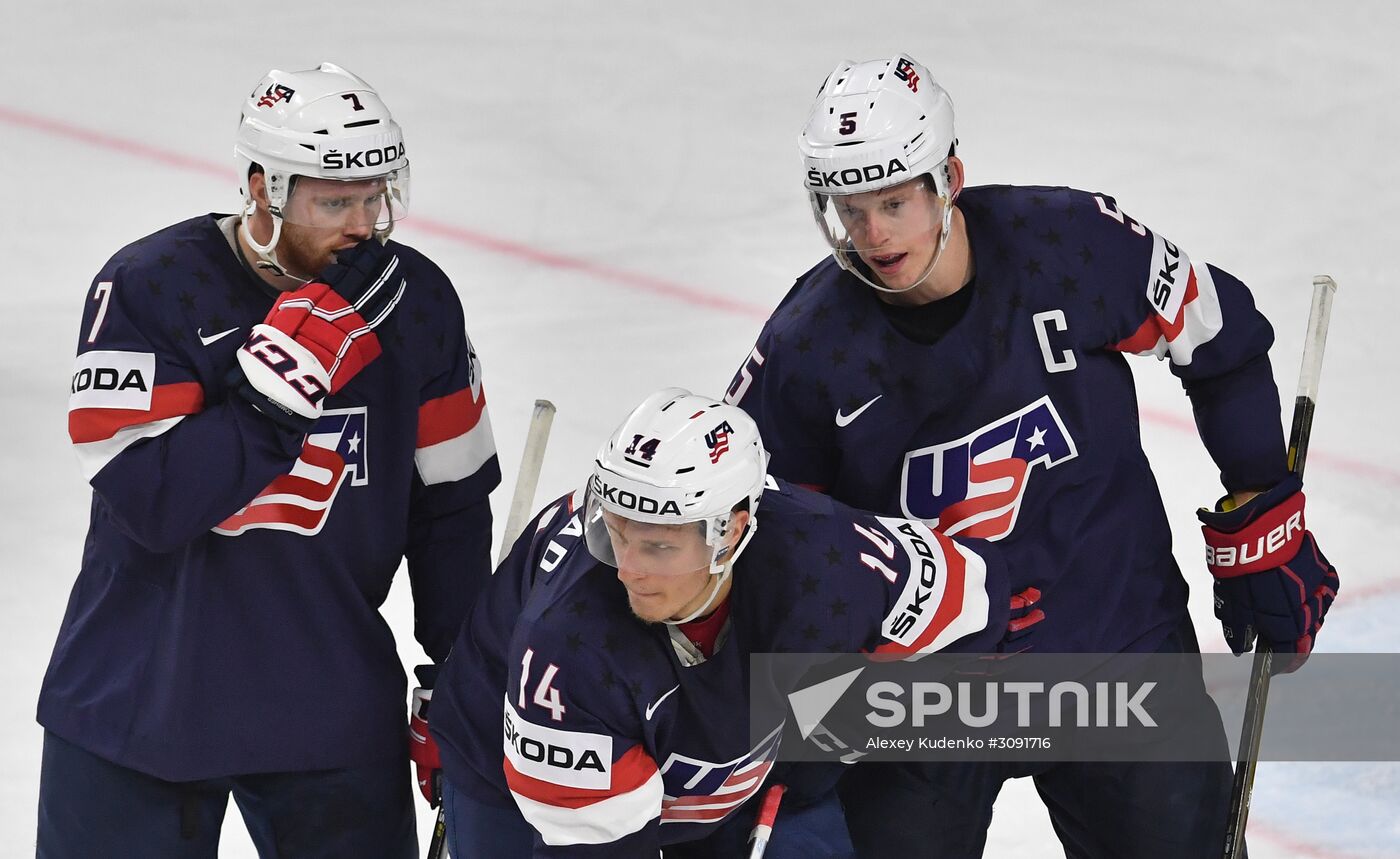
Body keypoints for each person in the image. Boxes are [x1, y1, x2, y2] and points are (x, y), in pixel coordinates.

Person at [725, 53, 1340, 858]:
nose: (872, 233)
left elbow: (1217, 335)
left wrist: (1264, 512)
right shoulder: (807, 347)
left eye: (894, 199)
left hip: (1111, 647)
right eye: (849, 206)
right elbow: (755, 532)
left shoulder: (1070, 245)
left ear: (948, 176)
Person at [37, 63, 500, 857]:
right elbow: (154, 503)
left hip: (325, 699)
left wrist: (467, 675)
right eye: (334, 201)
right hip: (143, 695)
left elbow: (450, 507)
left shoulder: (415, 302)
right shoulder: (153, 288)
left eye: (375, 196)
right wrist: (279, 387)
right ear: (264, 187)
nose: (364, 225)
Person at [422, 387, 1033, 858]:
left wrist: (834, 722)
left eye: (659, 546)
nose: (627, 570)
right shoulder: (569, 642)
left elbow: (967, 599)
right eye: (616, 534)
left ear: (731, 532)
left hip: (739, 772)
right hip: (515, 770)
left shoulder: (831, 562)